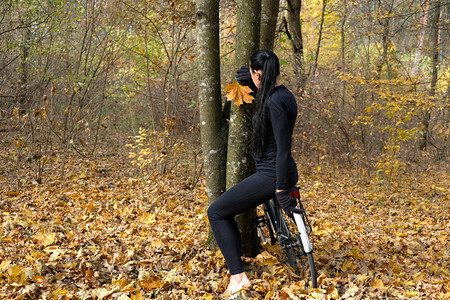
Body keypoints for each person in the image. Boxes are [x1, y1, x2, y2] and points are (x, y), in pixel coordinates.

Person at [207, 50, 301, 298]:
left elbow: (283, 149)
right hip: (276, 169)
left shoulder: (274, 103)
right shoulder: (282, 94)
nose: (249, 76)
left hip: (273, 173)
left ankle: (238, 278)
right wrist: (250, 81)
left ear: (259, 74)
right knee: (225, 210)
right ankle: (238, 270)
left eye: (251, 72)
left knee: (216, 212)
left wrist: (280, 188)